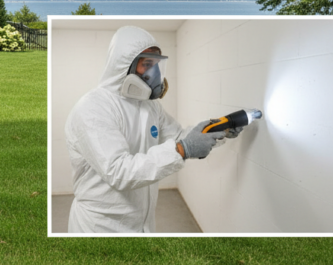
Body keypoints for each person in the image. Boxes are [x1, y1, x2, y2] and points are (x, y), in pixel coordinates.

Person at [63, 25, 249, 233]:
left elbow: (179, 136)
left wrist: (218, 130)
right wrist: (181, 150)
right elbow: (118, 170)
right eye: (147, 64)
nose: (155, 72)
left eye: (157, 64)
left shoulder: (149, 106)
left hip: (141, 223)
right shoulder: (93, 108)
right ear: (124, 65)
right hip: (100, 227)